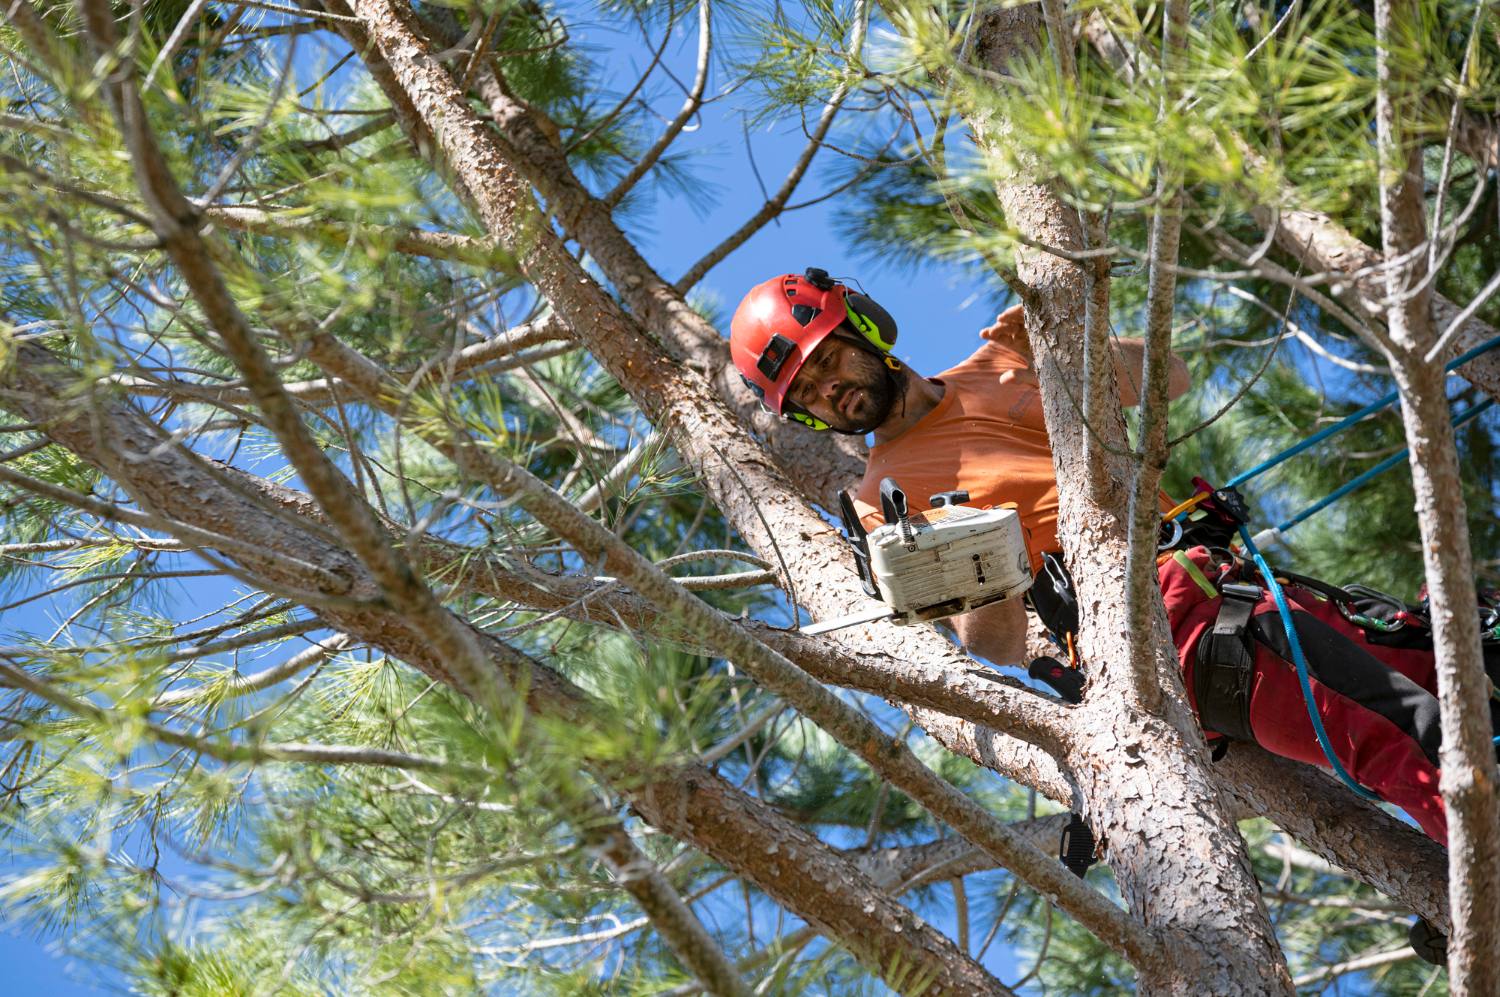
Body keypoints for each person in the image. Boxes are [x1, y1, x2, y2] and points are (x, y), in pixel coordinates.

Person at [730, 268, 1453, 846]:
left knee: (1466, 677)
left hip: (1242, 581)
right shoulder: (878, 498)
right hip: (1174, 632)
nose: (831, 388)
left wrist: (1071, 349)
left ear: (863, 325)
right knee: (1409, 737)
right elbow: (999, 646)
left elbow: (1169, 377)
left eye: (829, 359)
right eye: (810, 392)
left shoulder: (999, 361)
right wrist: (980, 566)